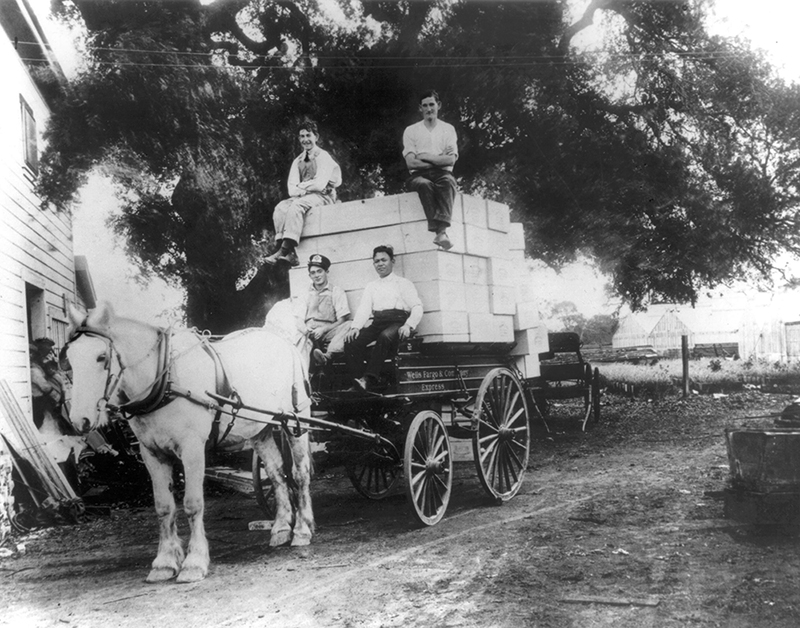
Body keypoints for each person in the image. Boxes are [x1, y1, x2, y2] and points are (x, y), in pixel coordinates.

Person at [344, 245, 423, 392]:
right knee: (351, 342)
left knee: (385, 336)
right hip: (378, 321)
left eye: (384, 260)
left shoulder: (403, 283)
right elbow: (364, 309)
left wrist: (408, 325)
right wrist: (355, 327)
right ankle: (359, 381)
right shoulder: (371, 286)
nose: (380, 264)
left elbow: (417, 307)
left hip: (397, 321)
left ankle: (369, 378)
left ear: (392, 261)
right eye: (377, 261)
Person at [265, 120, 342, 267]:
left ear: (316, 137)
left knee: (297, 205)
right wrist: (309, 187)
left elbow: (320, 185)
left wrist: (302, 186)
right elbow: (291, 189)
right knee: (280, 208)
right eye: (302, 136)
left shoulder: (323, 156)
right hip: (306, 196)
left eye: (308, 135)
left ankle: (282, 251)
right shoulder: (298, 160)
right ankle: (290, 252)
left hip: (324, 197)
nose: (305, 139)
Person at [402, 89, 459, 251]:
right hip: (418, 176)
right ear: (420, 108)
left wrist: (424, 156)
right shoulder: (411, 131)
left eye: (432, 104)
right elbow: (411, 164)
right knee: (424, 184)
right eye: (425, 105)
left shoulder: (448, 129)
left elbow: (450, 159)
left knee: (448, 182)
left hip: (443, 174)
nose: (429, 109)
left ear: (438, 105)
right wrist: (438, 159)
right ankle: (440, 231)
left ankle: (441, 232)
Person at [297, 254, 351, 366]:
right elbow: (299, 318)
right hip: (309, 332)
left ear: (326, 271)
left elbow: (342, 319)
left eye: (319, 271)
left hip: (328, 332)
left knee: (349, 324)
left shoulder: (336, 291)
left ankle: (328, 355)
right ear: (309, 275)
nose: (316, 275)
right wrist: (306, 329)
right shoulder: (305, 293)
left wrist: (324, 329)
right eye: (313, 273)